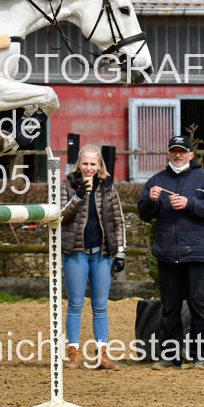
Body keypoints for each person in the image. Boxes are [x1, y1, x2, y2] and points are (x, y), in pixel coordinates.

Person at [137, 135, 204, 370]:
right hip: (167, 254)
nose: (178, 155)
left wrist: (190, 204)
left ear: (191, 155)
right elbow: (144, 214)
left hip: (196, 254)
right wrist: (152, 201)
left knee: (198, 306)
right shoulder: (156, 180)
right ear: (168, 154)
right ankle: (171, 357)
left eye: (182, 151)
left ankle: (201, 357)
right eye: (174, 151)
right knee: (170, 307)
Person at [61, 144, 126, 370]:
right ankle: (73, 353)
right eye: (85, 163)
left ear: (100, 166)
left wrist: (120, 252)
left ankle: (102, 354)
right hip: (75, 252)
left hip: (102, 253)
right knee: (75, 305)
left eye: (93, 164)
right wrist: (79, 195)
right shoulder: (67, 185)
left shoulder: (108, 188)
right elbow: (61, 217)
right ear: (79, 163)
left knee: (100, 306)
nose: (89, 168)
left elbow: (118, 222)